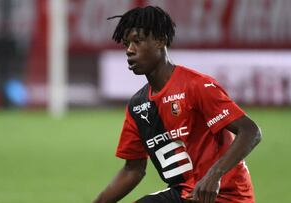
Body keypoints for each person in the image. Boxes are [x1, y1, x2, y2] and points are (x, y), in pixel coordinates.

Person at [93, 5, 262, 203]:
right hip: (185, 195)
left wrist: (214, 175)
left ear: (161, 40)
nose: (129, 50)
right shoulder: (138, 106)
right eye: (126, 44)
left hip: (226, 197)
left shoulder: (196, 86)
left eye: (137, 42)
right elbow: (133, 170)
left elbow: (250, 131)